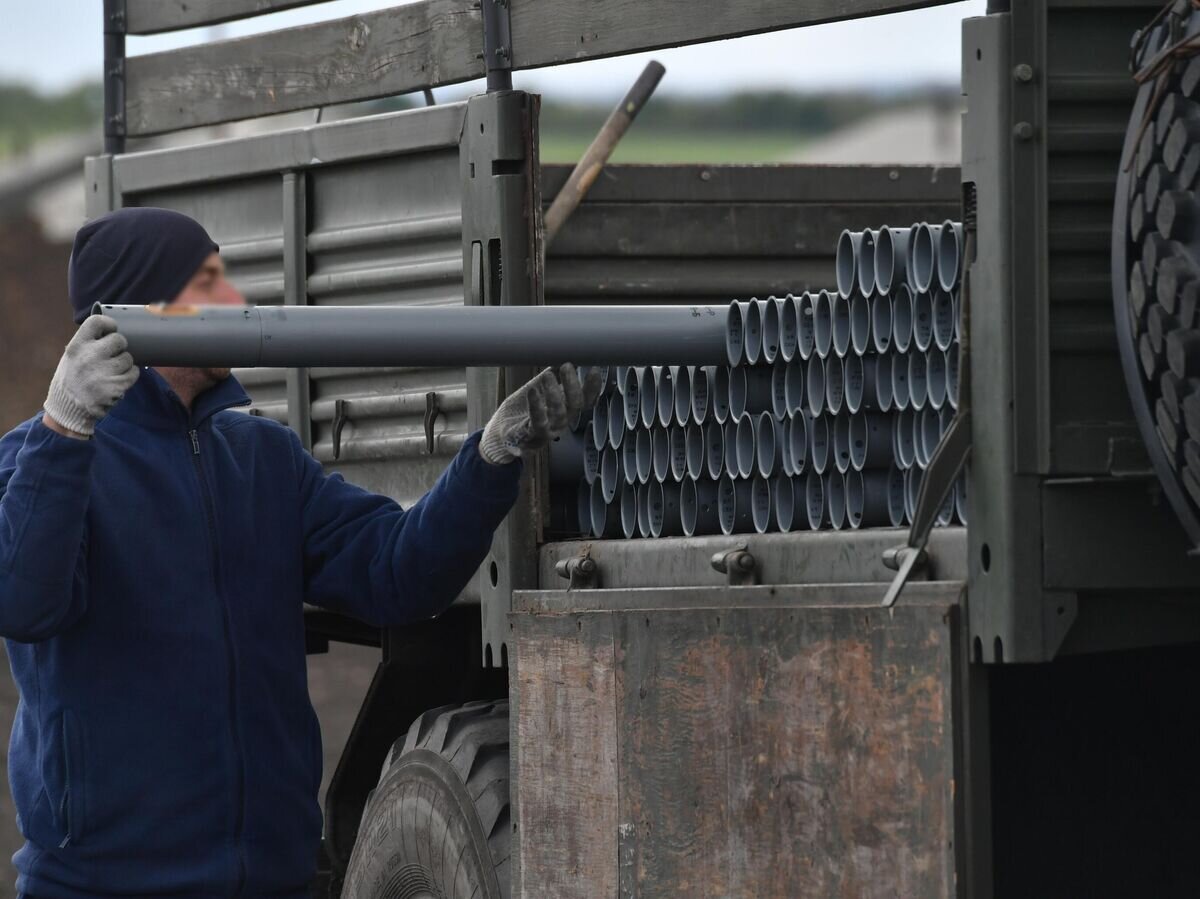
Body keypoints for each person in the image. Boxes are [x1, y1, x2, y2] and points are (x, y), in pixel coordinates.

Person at [0, 207, 599, 898]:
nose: (236, 301)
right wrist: (63, 429)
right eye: (209, 283)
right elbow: (22, 600)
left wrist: (491, 455)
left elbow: (398, 574)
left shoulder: (262, 458)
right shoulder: (40, 459)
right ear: (143, 310)